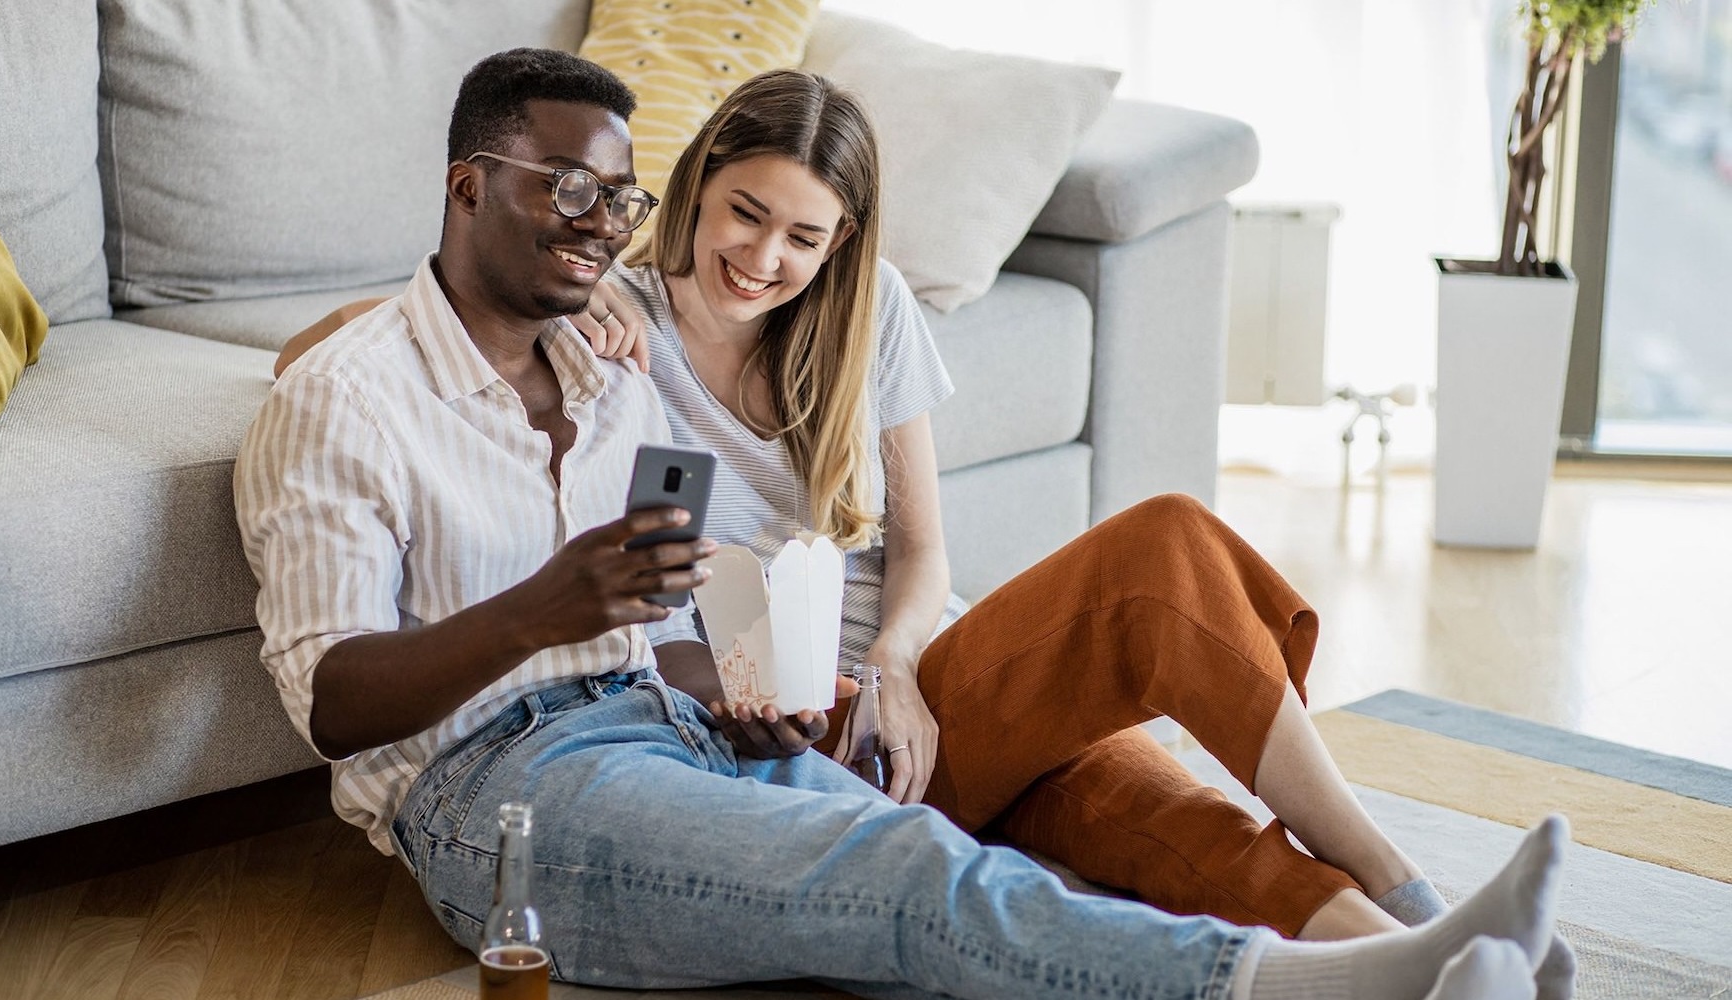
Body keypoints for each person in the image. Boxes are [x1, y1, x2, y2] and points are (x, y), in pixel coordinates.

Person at [239, 47, 1569, 1000]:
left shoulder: (841, 326)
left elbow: (913, 553)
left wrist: (899, 669)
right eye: (743, 213)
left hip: (877, 688)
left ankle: (1423, 945)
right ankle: (1399, 928)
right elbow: (367, 355)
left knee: (1123, 792)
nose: (764, 255)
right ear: (697, 192)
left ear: (841, 248)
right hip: (715, 712)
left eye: (804, 237)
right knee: (1140, 590)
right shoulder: (609, 333)